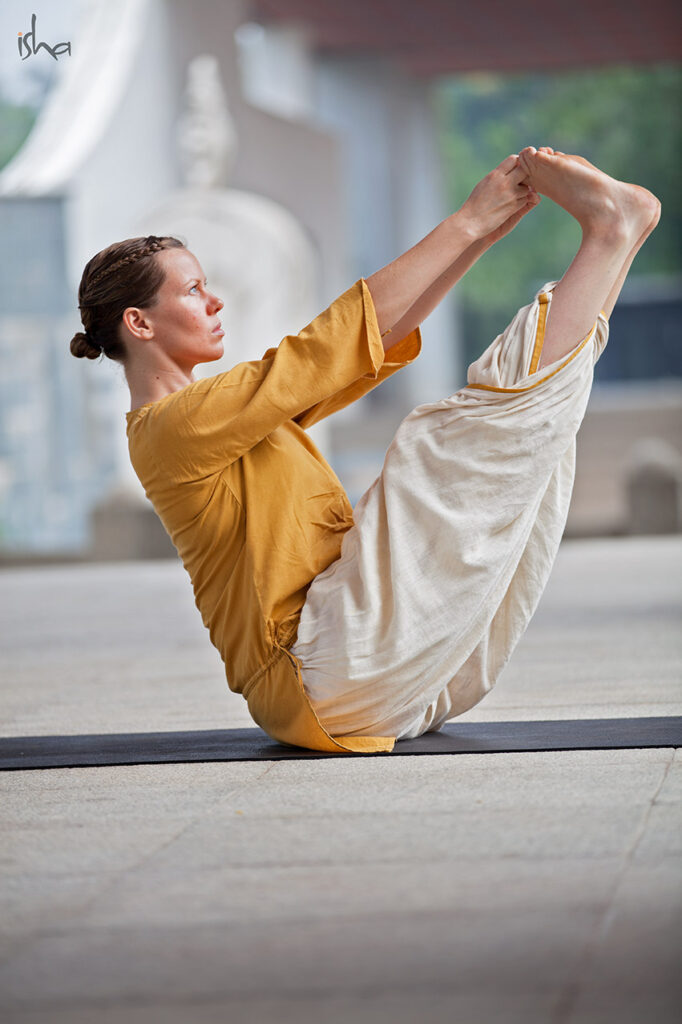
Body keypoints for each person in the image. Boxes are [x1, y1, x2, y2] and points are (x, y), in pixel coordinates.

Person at [70, 147, 659, 753]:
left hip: (380, 680)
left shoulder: (217, 418)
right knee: (451, 446)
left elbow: (373, 340)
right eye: (194, 290)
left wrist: (480, 235)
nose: (215, 301)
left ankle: (618, 233)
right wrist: (466, 221)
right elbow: (322, 348)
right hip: (326, 671)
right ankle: (611, 231)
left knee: (535, 435)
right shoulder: (177, 426)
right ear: (140, 324)